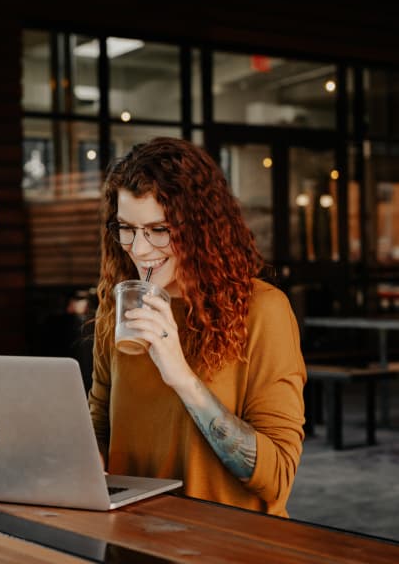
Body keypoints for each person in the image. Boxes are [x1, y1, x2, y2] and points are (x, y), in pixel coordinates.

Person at [88, 136, 306, 517]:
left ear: (201, 229)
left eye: (159, 230)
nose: (139, 249)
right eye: (126, 228)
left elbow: (277, 477)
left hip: (227, 542)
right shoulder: (118, 307)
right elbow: (100, 422)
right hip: (135, 534)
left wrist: (183, 378)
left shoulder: (263, 310)